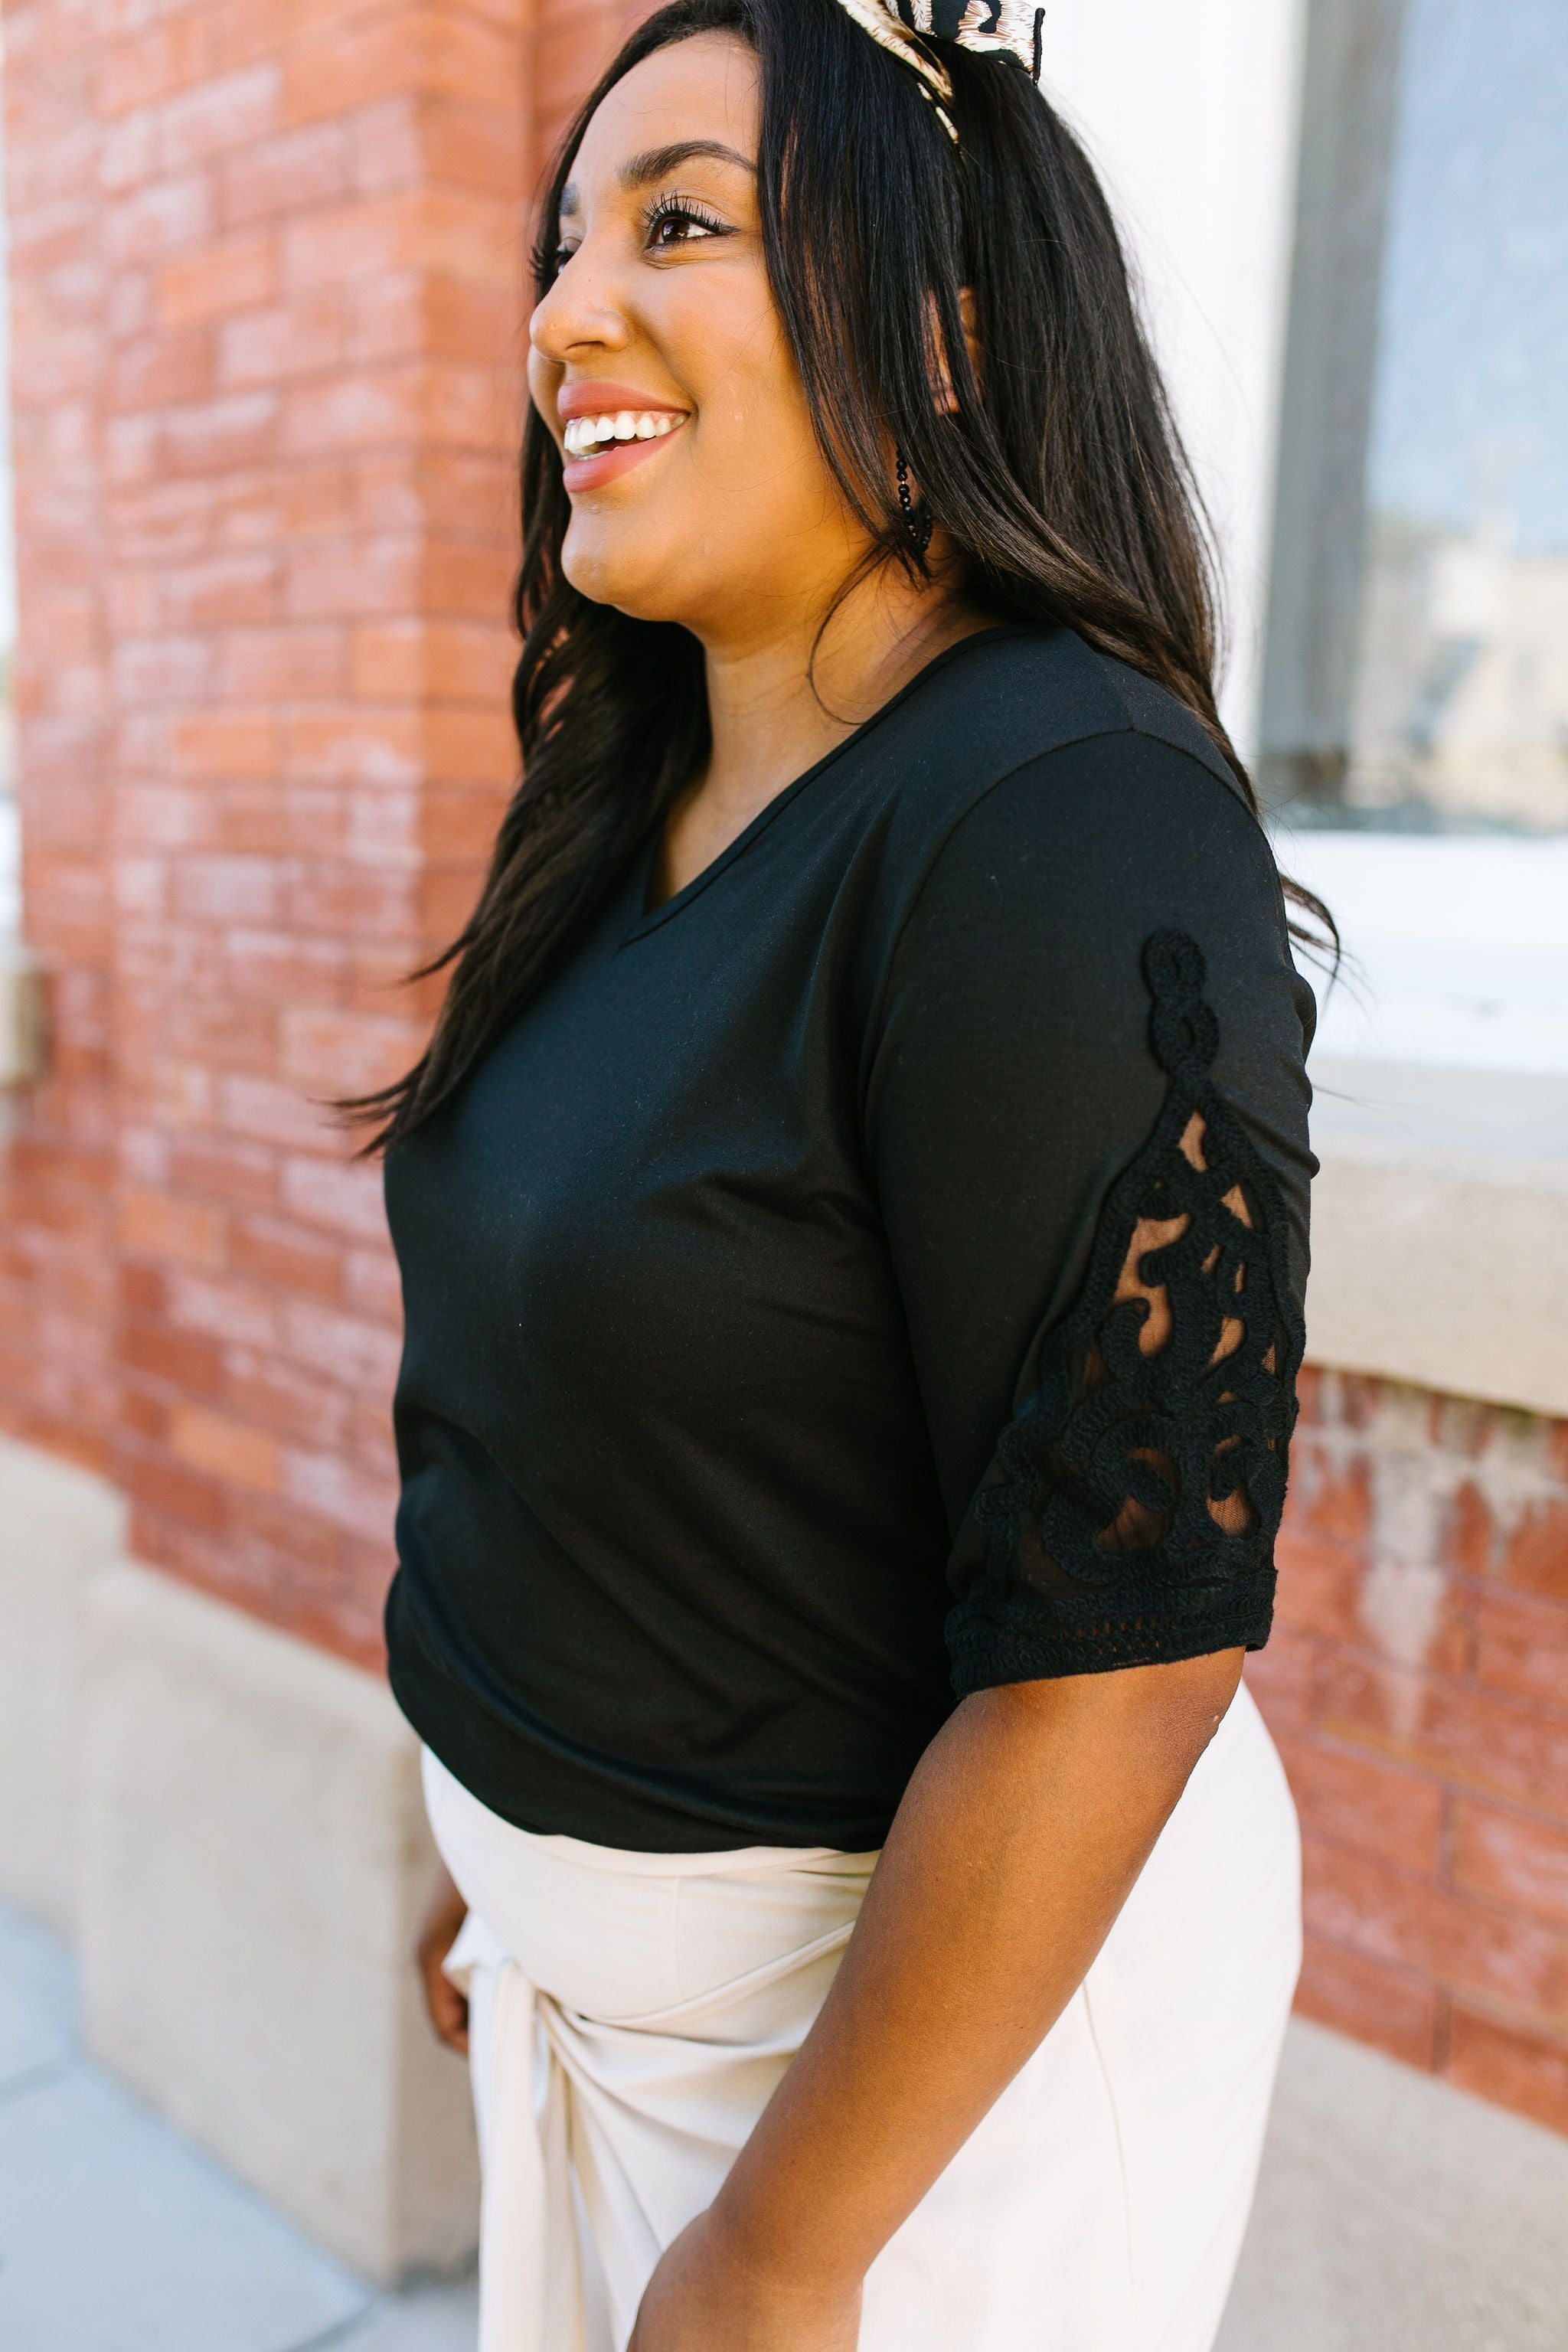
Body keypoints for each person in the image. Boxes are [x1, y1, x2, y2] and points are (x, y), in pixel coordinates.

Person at [348, 3, 1325, 2345]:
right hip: (614, 2022)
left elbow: (1126, 1660)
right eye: (560, 239)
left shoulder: (1065, 825)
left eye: (678, 221)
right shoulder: (627, 800)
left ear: (950, 320)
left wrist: (787, 2252)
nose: (564, 312)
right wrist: (501, 1834)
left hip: (900, 2120)